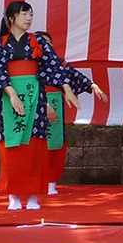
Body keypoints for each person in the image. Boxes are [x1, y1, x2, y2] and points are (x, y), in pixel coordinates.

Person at [0, 1, 69, 210]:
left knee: (35, 145)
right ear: (12, 17)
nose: (29, 18)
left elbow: (55, 66)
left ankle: (33, 195)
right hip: (9, 95)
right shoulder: (0, 43)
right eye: (24, 14)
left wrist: (68, 87)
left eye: (31, 14)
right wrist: (11, 93)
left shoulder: (38, 42)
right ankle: (13, 194)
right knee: (12, 146)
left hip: (35, 96)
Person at [37, 31, 108, 195]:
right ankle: (36, 181)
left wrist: (92, 86)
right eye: (43, 43)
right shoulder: (31, 64)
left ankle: (51, 181)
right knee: (36, 143)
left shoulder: (59, 64)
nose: (47, 46)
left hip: (55, 99)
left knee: (56, 142)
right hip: (36, 101)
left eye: (49, 43)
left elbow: (74, 75)